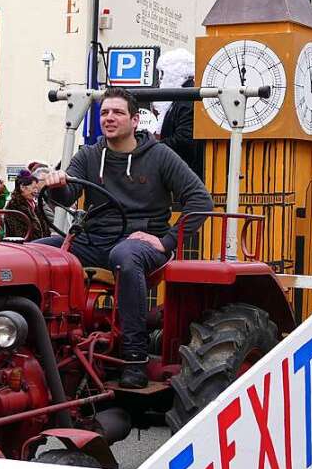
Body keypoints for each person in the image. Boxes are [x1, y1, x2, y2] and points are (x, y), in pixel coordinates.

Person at [41, 87, 213, 388]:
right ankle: (36, 343)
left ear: (135, 120)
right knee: (36, 255)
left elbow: (200, 200)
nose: (109, 118)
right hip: (94, 239)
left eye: (117, 112)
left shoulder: (159, 156)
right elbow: (68, 194)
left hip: (141, 241)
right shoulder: (90, 155)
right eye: (104, 112)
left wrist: (167, 241)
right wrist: (57, 184)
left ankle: (135, 357)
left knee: (124, 255)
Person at [154, 48, 204, 178]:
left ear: (174, 71)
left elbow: (184, 139)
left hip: (185, 172)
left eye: (163, 73)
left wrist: (154, 147)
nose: (161, 79)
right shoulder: (184, 95)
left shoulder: (186, 98)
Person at [5, 170, 51, 241]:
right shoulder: (14, 206)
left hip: (38, 245)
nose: (36, 191)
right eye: (34, 188)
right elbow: (19, 234)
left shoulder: (33, 204)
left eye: (37, 188)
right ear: (22, 187)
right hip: (25, 248)